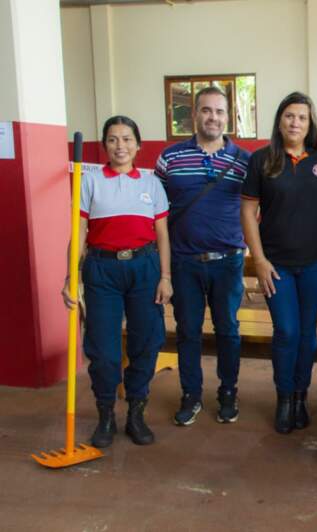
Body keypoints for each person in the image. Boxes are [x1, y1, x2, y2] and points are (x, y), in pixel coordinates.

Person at [61, 115, 171, 448]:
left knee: (145, 343)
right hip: (101, 271)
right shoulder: (90, 181)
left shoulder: (151, 184)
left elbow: (163, 235)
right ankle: (106, 415)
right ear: (105, 145)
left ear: (138, 145)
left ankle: (136, 414)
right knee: (104, 350)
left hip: (145, 268)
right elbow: (79, 233)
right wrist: (70, 275)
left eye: (126, 139)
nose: (120, 146)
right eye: (112, 139)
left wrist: (165, 277)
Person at [241, 92, 317, 433]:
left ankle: (301, 396)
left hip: (315, 263)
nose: (295, 122)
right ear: (279, 121)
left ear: (310, 124)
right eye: (289, 116)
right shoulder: (262, 160)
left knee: (308, 335)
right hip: (275, 265)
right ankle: (283, 397)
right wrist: (260, 261)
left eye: (302, 117)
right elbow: (248, 214)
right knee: (287, 331)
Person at [155, 86, 251, 426]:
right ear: (194, 115)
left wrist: (245, 241)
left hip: (227, 262)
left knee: (228, 330)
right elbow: (157, 210)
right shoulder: (170, 158)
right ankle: (191, 394)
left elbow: (255, 209)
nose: (213, 117)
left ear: (229, 117)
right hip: (183, 263)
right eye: (206, 110)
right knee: (188, 332)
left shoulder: (244, 160)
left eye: (220, 111)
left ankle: (228, 392)